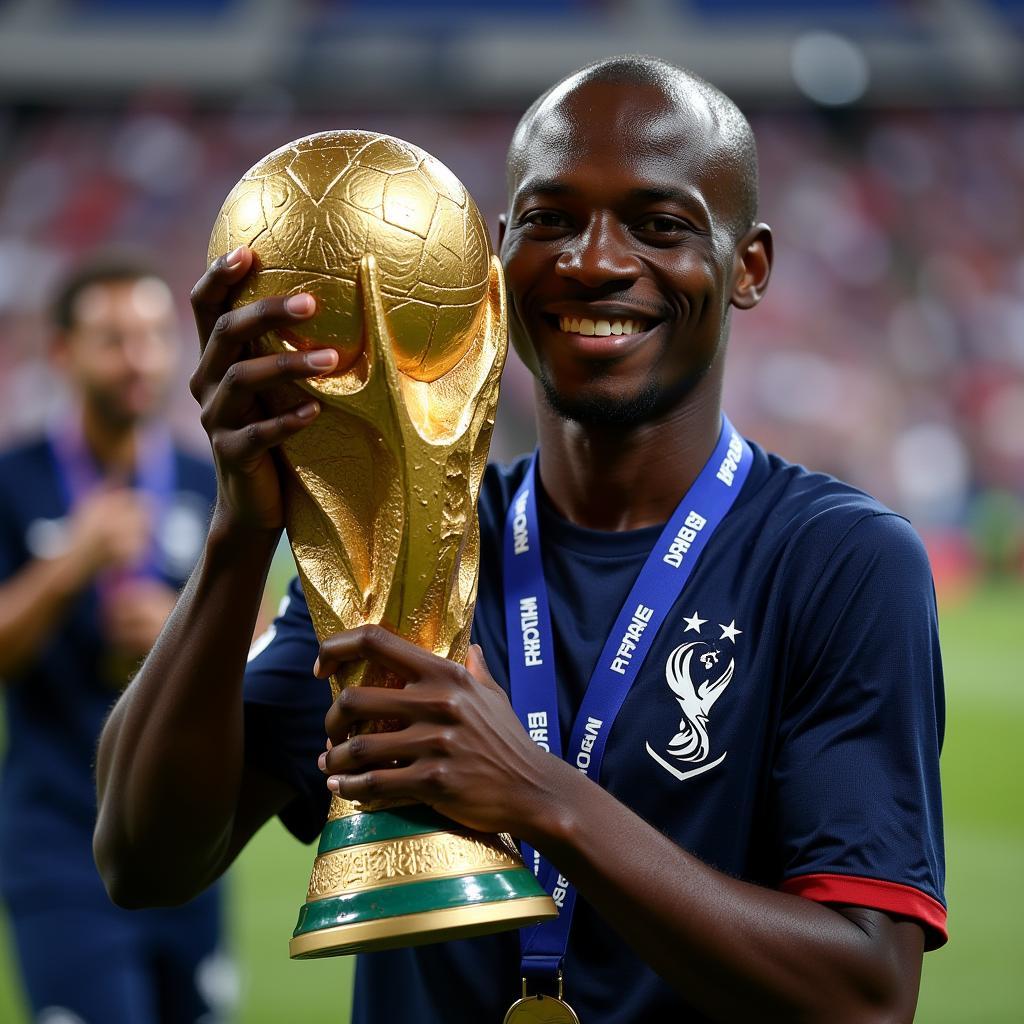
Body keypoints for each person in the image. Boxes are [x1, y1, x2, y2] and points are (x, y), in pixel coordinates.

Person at [93, 56, 946, 1024]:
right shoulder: (406, 542)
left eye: (658, 225)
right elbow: (143, 861)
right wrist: (242, 527)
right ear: (494, 259)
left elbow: (866, 996)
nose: (592, 260)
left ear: (745, 266)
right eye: (550, 220)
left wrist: (542, 797)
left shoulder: (838, 560)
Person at [0, 254, 231, 1023]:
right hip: (58, 833)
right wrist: (72, 564)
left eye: (154, 337)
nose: (140, 358)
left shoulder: (209, 486)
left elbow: (263, 645)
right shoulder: (14, 480)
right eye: (114, 339)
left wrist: (180, 623)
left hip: (182, 839)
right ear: (63, 352)